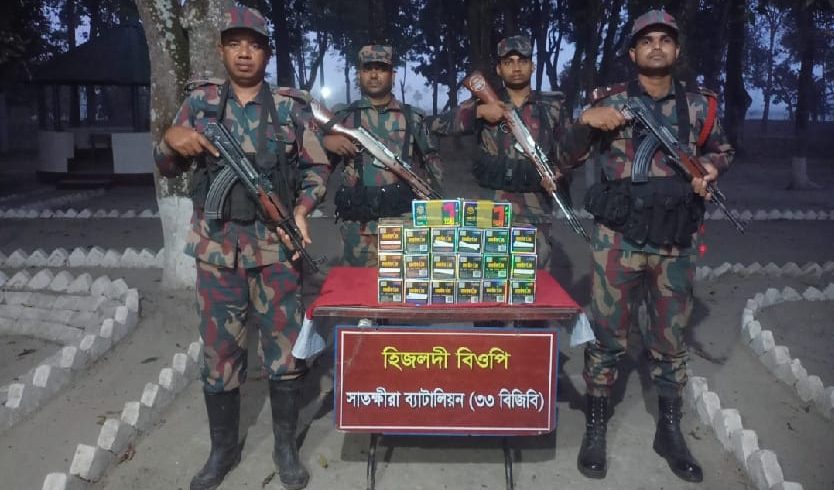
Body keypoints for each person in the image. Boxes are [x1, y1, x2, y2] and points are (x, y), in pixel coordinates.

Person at [153, 6, 330, 490]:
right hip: (217, 253)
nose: (245, 52)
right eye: (235, 43)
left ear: (266, 53)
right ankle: (223, 451)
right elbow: (166, 163)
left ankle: (285, 449)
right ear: (222, 50)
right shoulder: (200, 104)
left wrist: (302, 209)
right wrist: (171, 138)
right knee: (220, 353)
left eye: (254, 44)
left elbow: (317, 168)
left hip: (276, 251)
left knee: (285, 354)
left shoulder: (290, 107)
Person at [568, 9, 734, 482]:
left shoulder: (700, 106)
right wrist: (585, 120)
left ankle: (669, 430)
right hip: (617, 239)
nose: (656, 46)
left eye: (665, 39)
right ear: (632, 51)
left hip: (675, 240)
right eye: (647, 40)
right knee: (606, 336)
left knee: (670, 340)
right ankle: (596, 426)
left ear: (676, 50)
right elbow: (565, 157)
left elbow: (722, 149)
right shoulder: (608, 101)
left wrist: (712, 169)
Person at [429, 35, 589, 271]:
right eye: (508, 62)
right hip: (492, 210)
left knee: (532, 280)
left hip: (536, 212)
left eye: (522, 61)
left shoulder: (552, 106)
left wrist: (559, 172)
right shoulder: (483, 103)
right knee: (492, 277)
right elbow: (436, 125)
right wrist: (479, 112)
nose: (516, 67)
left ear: (532, 66)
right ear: (499, 69)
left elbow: (569, 151)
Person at [322, 45, 443, 267]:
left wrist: (434, 210)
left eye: (381, 68)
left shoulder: (412, 118)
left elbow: (432, 164)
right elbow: (317, 164)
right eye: (368, 69)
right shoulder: (343, 118)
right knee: (357, 286)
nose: (374, 75)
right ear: (359, 74)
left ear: (393, 75)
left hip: (403, 224)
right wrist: (325, 142)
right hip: (357, 229)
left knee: (401, 285)